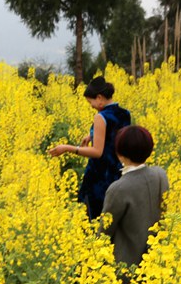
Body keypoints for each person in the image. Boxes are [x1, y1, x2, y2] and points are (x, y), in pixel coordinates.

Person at [48, 77, 132, 218]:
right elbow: (115, 134)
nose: (91, 106)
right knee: (112, 216)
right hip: (118, 172)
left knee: (93, 218)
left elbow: (97, 152)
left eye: (90, 102)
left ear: (99, 98)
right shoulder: (125, 113)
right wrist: (92, 135)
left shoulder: (100, 117)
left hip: (100, 176)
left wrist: (68, 148)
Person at [101, 125, 169, 277]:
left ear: (120, 155)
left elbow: (105, 231)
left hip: (126, 267)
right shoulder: (161, 174)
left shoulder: (118, 188)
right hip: (158, 263)